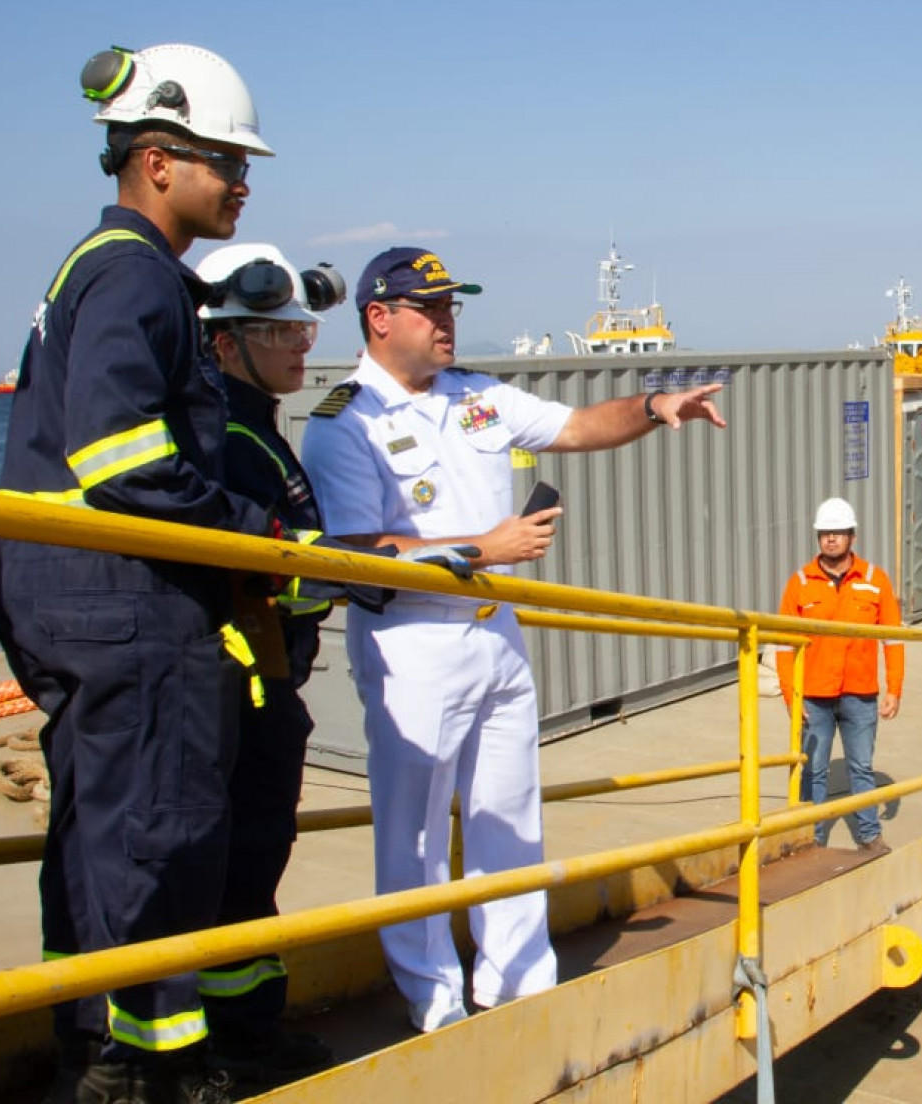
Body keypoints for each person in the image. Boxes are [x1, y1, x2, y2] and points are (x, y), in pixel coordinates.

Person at [299, 246, 726, 1033]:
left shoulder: (477, 397)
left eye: (452, 306)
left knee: (509, 816)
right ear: (379, 318)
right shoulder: (345, 424)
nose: (448, 321)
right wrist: (478, 550)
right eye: (432, 309)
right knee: (416, 834)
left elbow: (576, 425)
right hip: (412, 645)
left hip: (497, 637)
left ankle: (518, 983)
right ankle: (435, 1004)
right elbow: (354, 554)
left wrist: (657, 408)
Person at [0, 44, 275, 1104]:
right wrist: (250, 535)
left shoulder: (101, 269)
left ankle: (95, 1053)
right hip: (125, 599)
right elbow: (121, 455)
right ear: (156, 159)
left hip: (71, 594)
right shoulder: (136, 275)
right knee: (159, 832)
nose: (242, 183)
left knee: (98, 830)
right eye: (225, 162)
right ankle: (157, 1070)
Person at [188, 243, 360, 1088]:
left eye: (302, 325)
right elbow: (262, 565)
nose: (302, 343)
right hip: (242, 688)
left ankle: (253, 1031)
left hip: (269, 683)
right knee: (234, 866)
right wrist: (350, 568)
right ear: (224, 341)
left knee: (256, 865)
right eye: (280, 329)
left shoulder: (256, 429)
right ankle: (227, 1047)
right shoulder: (225, 439)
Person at [773, 497, 905, 852]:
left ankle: (869, 834)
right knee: (812, 770)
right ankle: (808, 840)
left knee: (861, 766)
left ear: (852, 537)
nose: (831, 539)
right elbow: (784, 647)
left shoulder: (875, 580)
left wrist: (894, 687)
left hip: (860, 694)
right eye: (825, 533)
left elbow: (893, 639)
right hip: (814, 696)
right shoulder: (800, 583)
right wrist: (791, 694)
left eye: (838, 533)